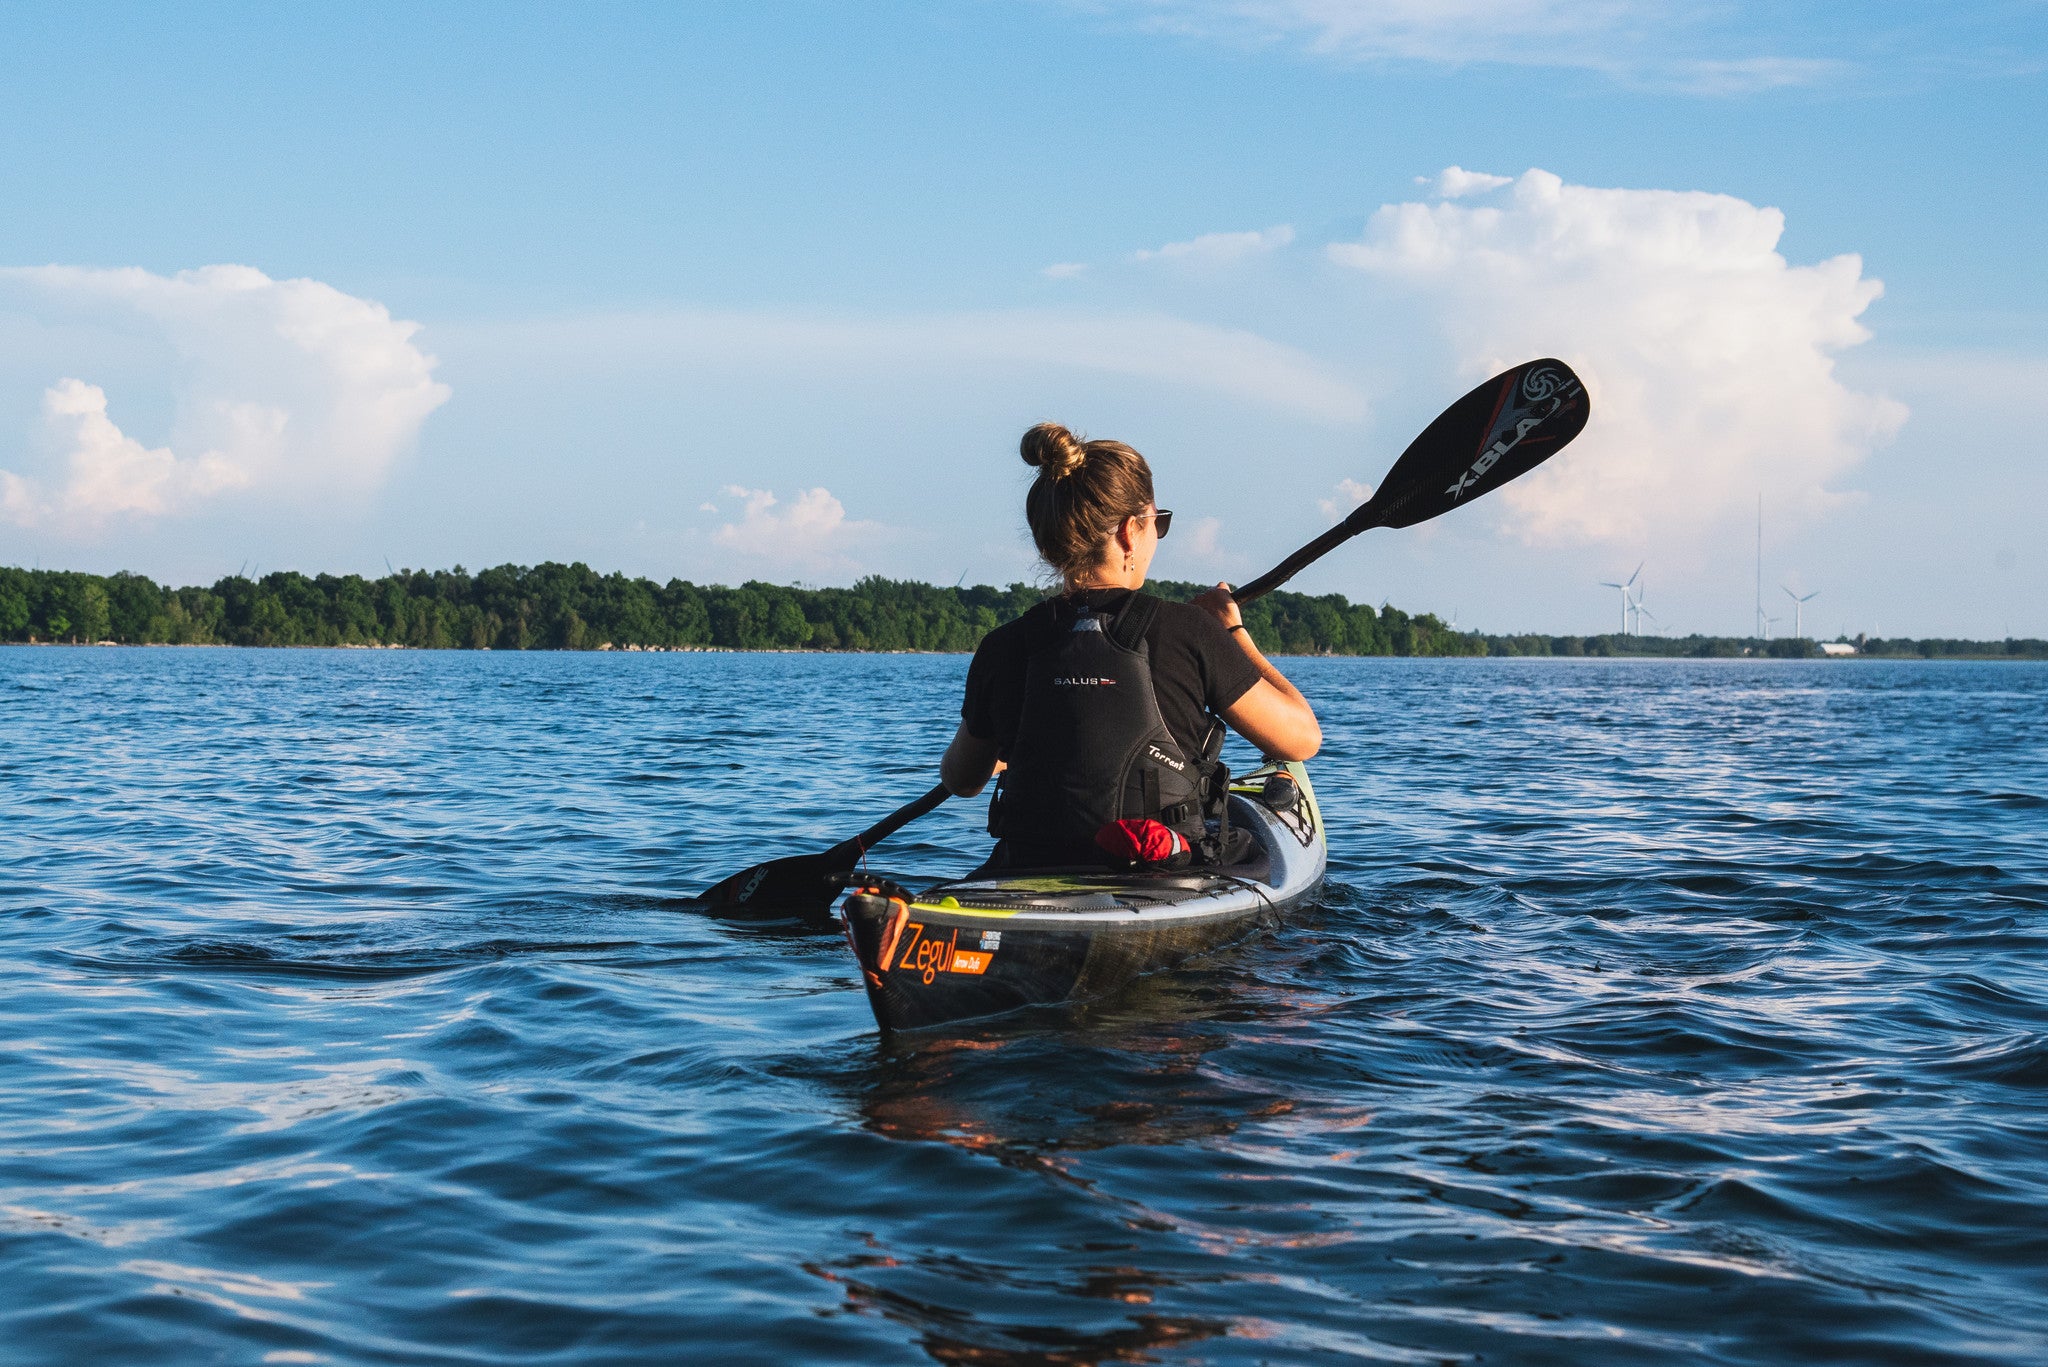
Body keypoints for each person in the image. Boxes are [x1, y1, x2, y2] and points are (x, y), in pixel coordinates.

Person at [940, 422, 1320, 869]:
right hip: (1164, 871)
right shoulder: (1190, 631)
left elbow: (961, 780)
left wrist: (1017, 752)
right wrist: (1233, 633)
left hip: (1030, 863)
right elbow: (1302, 740)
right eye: (1158, 523)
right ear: (1128, 532)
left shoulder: (1002, 646)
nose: (1157, 536)